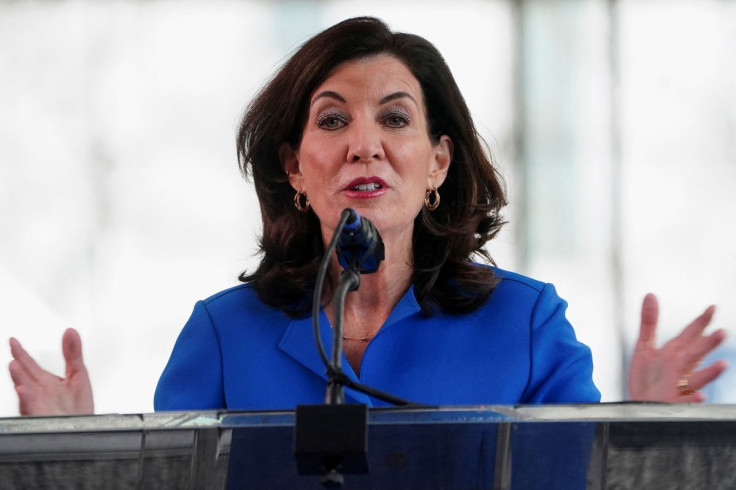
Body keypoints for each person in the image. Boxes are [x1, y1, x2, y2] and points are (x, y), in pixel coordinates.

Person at [7, 17, 727, 415]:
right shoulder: (222, 336)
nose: (364, 144)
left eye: (394, 117)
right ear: (295, 168)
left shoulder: (529, 327)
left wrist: (645, 437)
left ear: (438, 163)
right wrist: (76, 453)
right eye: (332, 121)